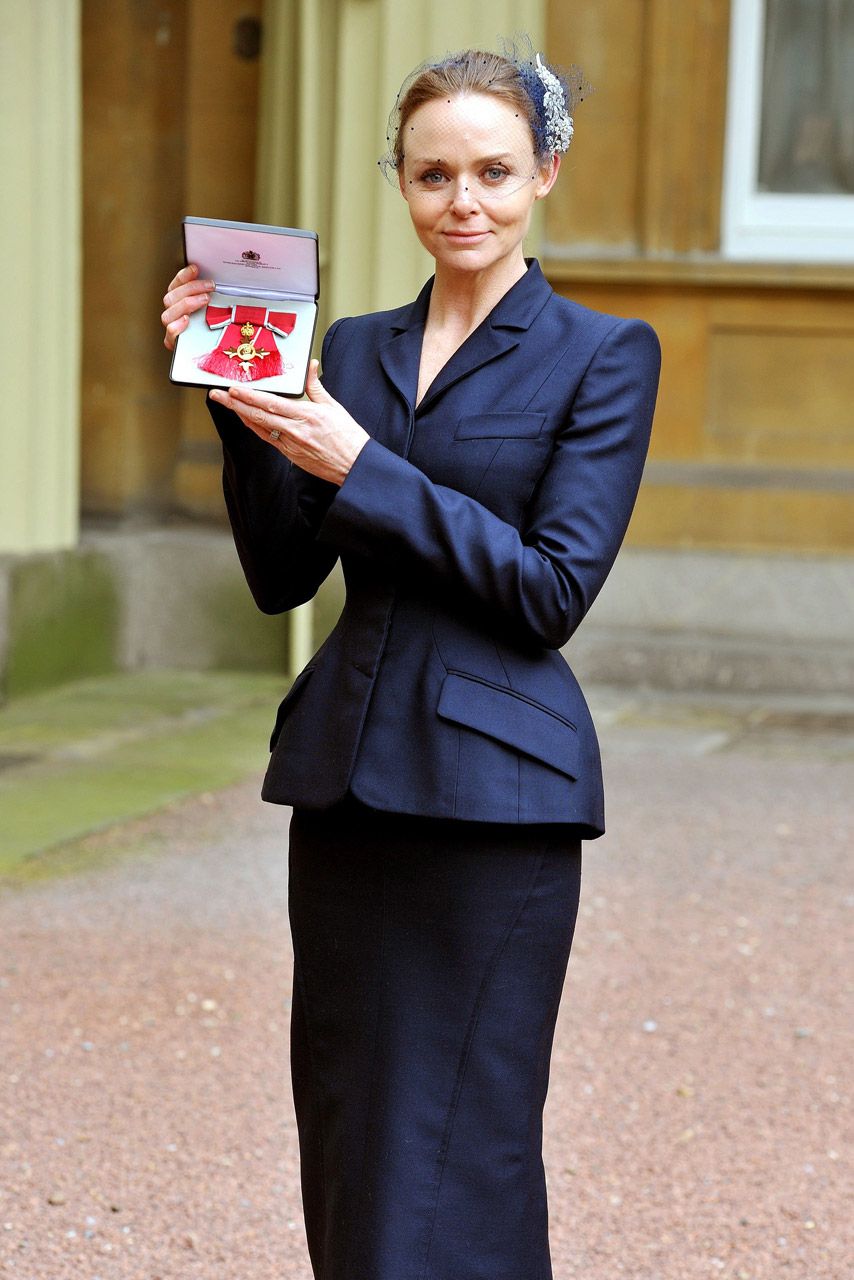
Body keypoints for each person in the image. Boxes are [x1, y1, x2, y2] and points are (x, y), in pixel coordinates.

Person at [161, 40, 660, 1280]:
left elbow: (549, 590)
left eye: (492, 171)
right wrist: (242, 406)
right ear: (401, 183)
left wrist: (359, 466)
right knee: (350, 1126)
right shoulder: (357, 348)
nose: (464, 202)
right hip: (344, 788)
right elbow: (283, 570)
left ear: (543, 171)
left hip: (496, 805)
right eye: (433, 175)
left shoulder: (602, 354)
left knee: (466, 1138)